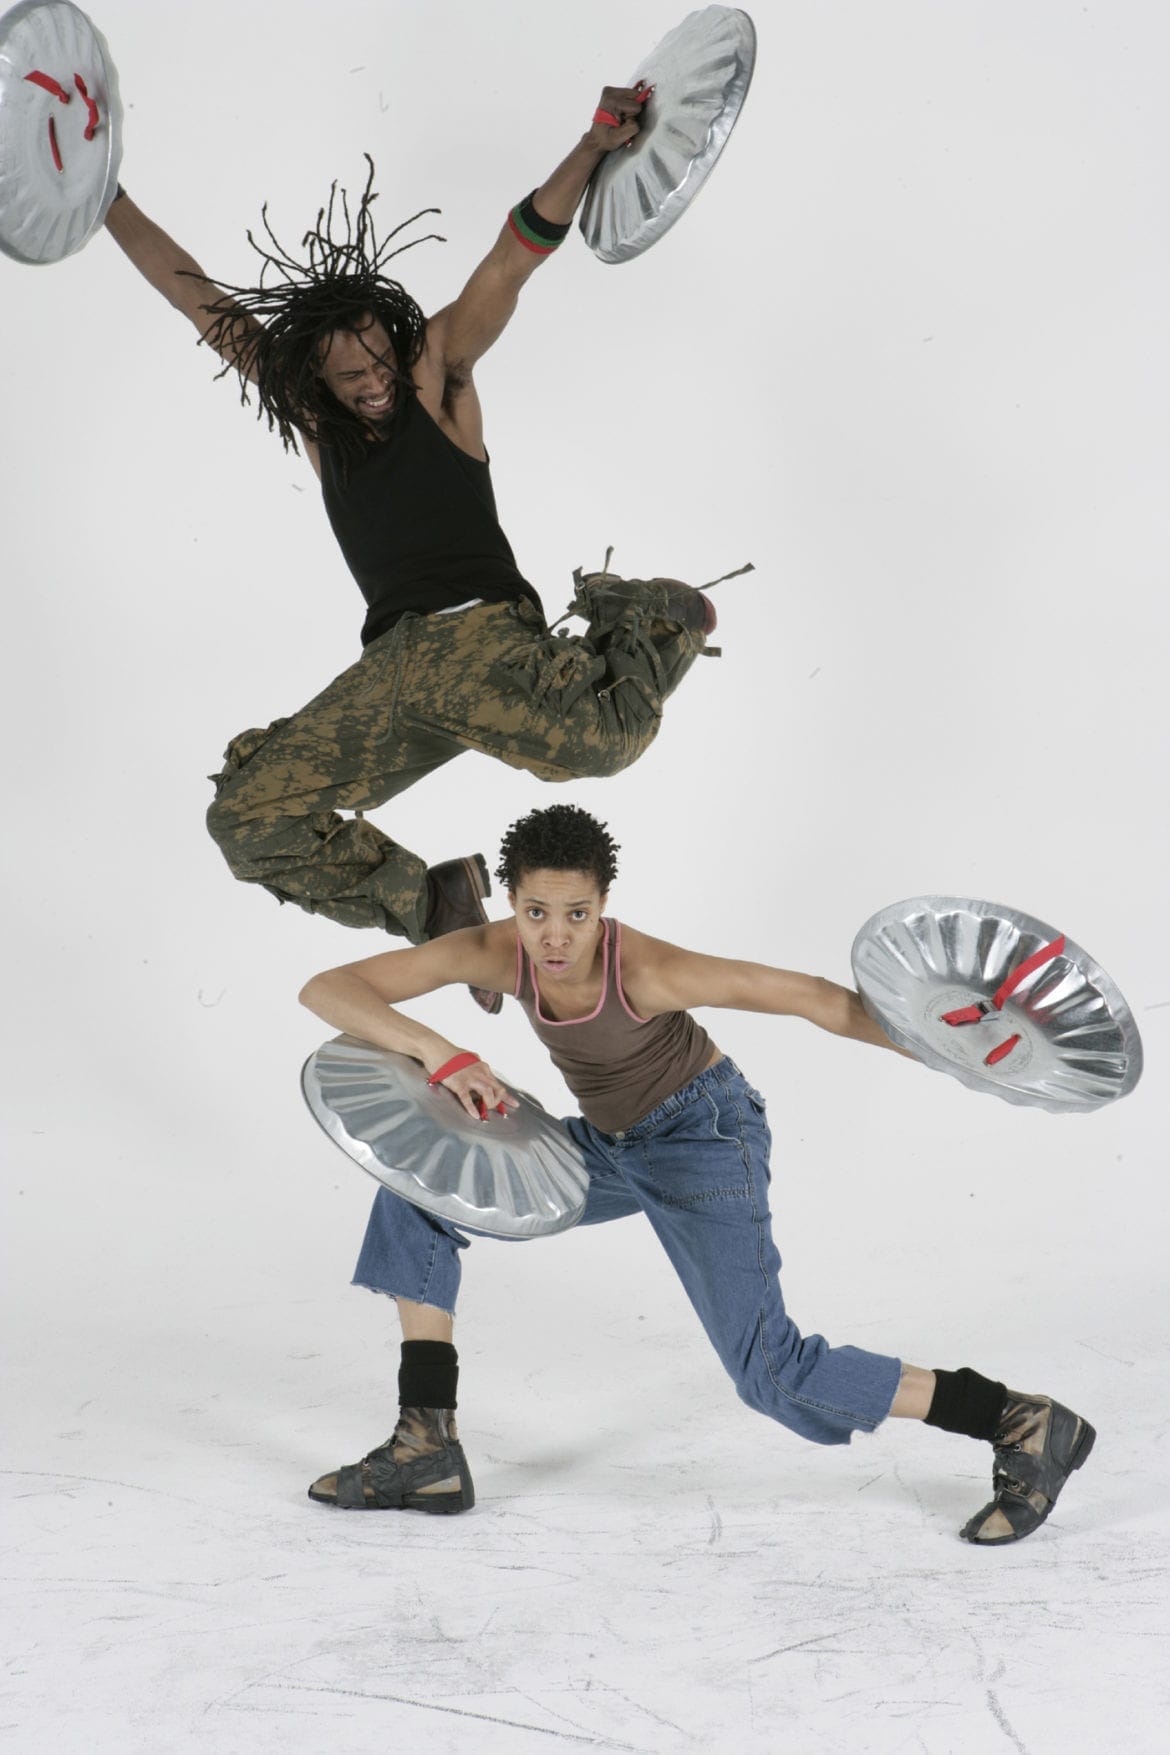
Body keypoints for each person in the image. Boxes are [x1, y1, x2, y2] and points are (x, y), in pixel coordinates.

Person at [296, 803, 1095, 1546]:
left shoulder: (643, 969)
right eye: (536, 912)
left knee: (774, 1375)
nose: (555, 936)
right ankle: (426, 1445)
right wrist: (444, 1052)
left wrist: (941, 1048)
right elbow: (328, 987)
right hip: (609, 1146)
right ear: (511, 903)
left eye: (577, 914)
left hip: (703, 1136)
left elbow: (812, 998)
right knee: (416, 1195)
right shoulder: (497, 951)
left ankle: (1019, 1418)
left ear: (603, 906)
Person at [103, 90, 736, 1011]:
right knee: (245, 818)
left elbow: (510, 260)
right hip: (392, 672)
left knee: (601, 744)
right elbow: (195, 295)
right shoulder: (320, 427)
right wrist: (103, 197)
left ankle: (648, 616)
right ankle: (431, 900)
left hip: (481, 642)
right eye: (349, 376)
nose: (370, 388)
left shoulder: (439, 377)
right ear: (318, 379)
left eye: (377, 366)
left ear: (398, 349)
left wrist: (591, 146)